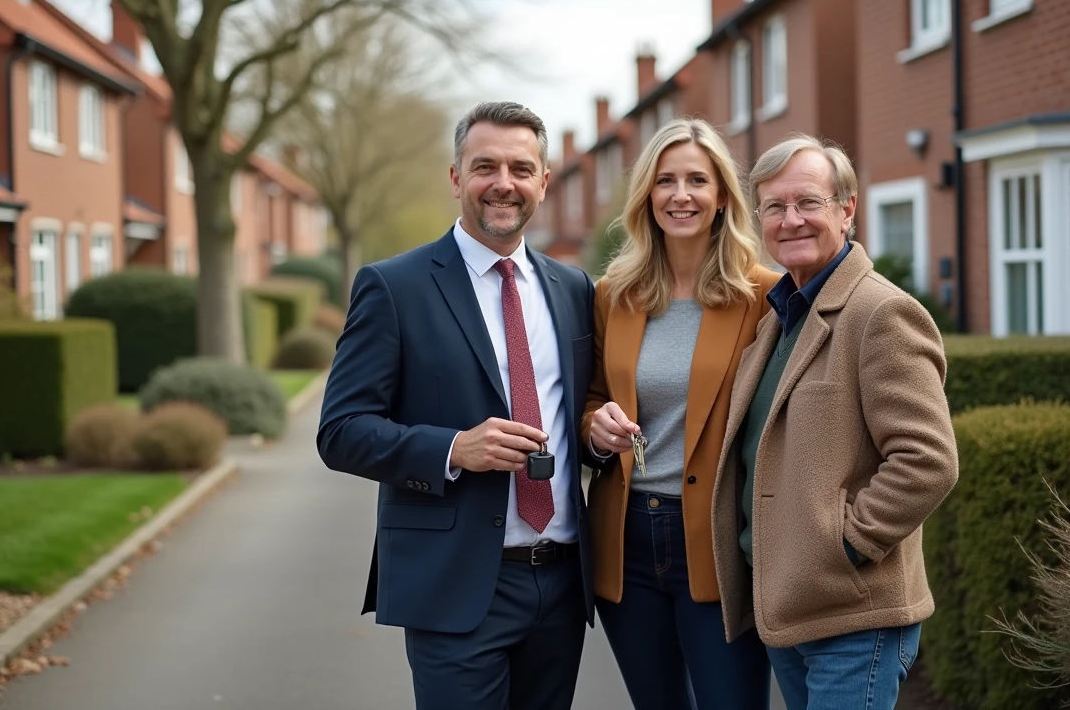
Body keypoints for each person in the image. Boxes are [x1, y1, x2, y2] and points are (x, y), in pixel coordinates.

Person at [317, 101, 598, 710]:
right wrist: (452, 449)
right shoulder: (394, 286)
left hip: (561, 579)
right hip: (455, 583)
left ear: (544, 182)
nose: (504, 183)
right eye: (485, 166)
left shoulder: (574, 289)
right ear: (455, 178)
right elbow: (339, 430)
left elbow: (576, 409)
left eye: (522, 168)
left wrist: (596, 431)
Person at [710, 133, 959, 710]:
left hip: (853, 616)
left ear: (847, 209)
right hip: (789, 611)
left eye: (808, 203)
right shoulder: (779, 316)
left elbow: (928, 460)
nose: (790, 220)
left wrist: (844, 545)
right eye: (774, 207)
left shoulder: (881, 313)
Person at [584, 118, 777, 710]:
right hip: (626, 540)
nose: (681, 194)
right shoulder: (614, 294)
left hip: (718, 543)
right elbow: (592, 396)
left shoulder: (766, 296)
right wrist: (596, 429)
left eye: (698, 179)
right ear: (647, 195)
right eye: (665, 180)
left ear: (722, 196)